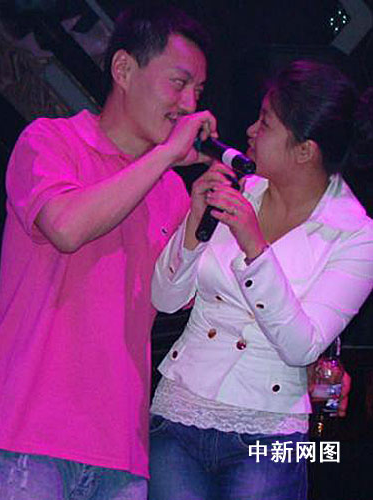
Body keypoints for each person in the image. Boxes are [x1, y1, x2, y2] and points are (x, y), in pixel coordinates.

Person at [0, 5, 217, 500]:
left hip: (121, 451)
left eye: (198, 92)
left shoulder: (169, 191)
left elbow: (175, 300)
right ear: (123, 69)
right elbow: (67, 228)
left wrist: (200, 223)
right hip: (26, 436)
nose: (189, 105)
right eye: (179, 83)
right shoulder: (49, 141)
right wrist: (166, 156)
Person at [149, 60, 373, 500]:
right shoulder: (240, 188)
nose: (250, 130)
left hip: (272, 434)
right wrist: (194, 222)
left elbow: (302, 346)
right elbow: (165, 297)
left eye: (266, 123)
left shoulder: (356, 235)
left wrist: (255, 247)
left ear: (304, 150)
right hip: (179, 410)